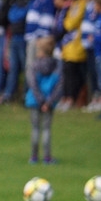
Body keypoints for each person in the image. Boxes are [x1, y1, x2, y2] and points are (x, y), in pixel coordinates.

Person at [25, 35, 63, 163]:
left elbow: (33, 84)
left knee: (35, 129)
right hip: (49, 102)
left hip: (34, 101)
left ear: (40, 51)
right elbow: (59, 86)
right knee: (47, 129)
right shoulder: (57, 65)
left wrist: (40, 100)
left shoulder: (34, 66)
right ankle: (47, 157)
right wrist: (48, 102)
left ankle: (34, 157)